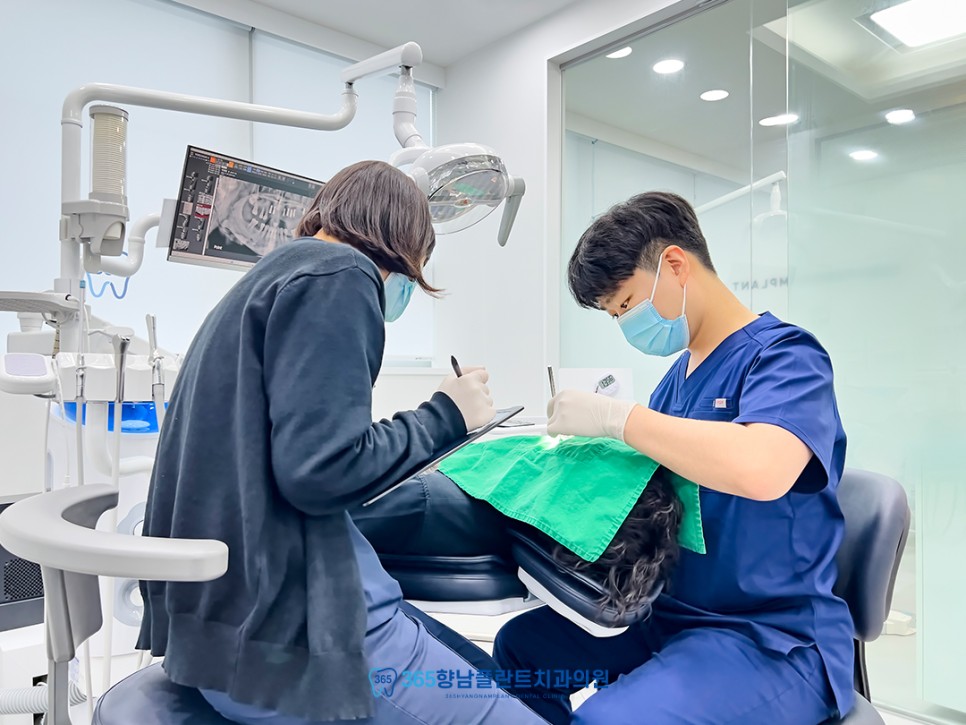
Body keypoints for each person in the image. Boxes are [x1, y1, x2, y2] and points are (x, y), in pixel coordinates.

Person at [137, 160, 546, 725]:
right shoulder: (340, 273)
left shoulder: (277, 275)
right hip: (288, 649)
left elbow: (303, 452)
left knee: (487, 671)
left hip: (225, 638)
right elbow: (322, 470)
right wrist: (448, 415)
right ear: (407, 242)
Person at [493, 191, 854, 724]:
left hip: (769, 636)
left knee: (606, 721)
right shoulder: (675, 382)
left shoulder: (785, 357)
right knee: (522, 650)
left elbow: (762, 468)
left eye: (625, 305)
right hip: (667, 613)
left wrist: (619, 419)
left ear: (676, 265)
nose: (624, 324)